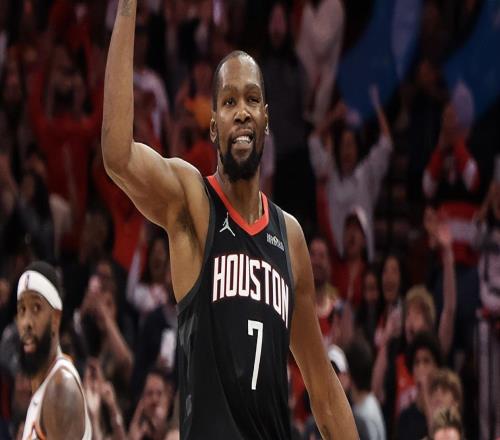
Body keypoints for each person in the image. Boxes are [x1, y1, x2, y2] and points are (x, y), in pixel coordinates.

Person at [102, 2, 357, 439]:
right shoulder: (192, 201)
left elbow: (323, 388)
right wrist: (128, 6)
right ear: (213, 126)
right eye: (229, 101)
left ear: (266, 121)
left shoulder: (290, 236)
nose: (241, 111)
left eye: (252, 99)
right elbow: (118, 156)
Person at [16, 261, 92, 439]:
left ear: (56, 318)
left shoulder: (61, 388)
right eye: (22, 309)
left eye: (36, 308)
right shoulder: (45, 388)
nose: (27, 322)